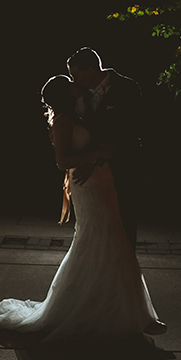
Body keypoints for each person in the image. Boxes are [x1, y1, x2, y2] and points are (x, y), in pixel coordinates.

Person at [0, 72, 165, 350]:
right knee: (100, 238)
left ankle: (123, 309)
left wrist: (99, 155)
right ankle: (108, 311)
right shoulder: (62, 121)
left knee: (113, 240)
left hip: (101, 182)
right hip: (89, 186)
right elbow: (63, 162)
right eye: (70, 82)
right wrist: (97, 156)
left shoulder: (76, 113)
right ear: (65, 93)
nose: (76, 83)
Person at [66, 46, 142, 249]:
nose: (73, 81)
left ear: (90, 71)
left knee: (124, 225)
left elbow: (127, 130)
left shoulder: (127, 88)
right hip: (92, 175)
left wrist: (94, 161)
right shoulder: (78, 96)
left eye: (76, 75)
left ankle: (126, 275)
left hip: (121, 166)